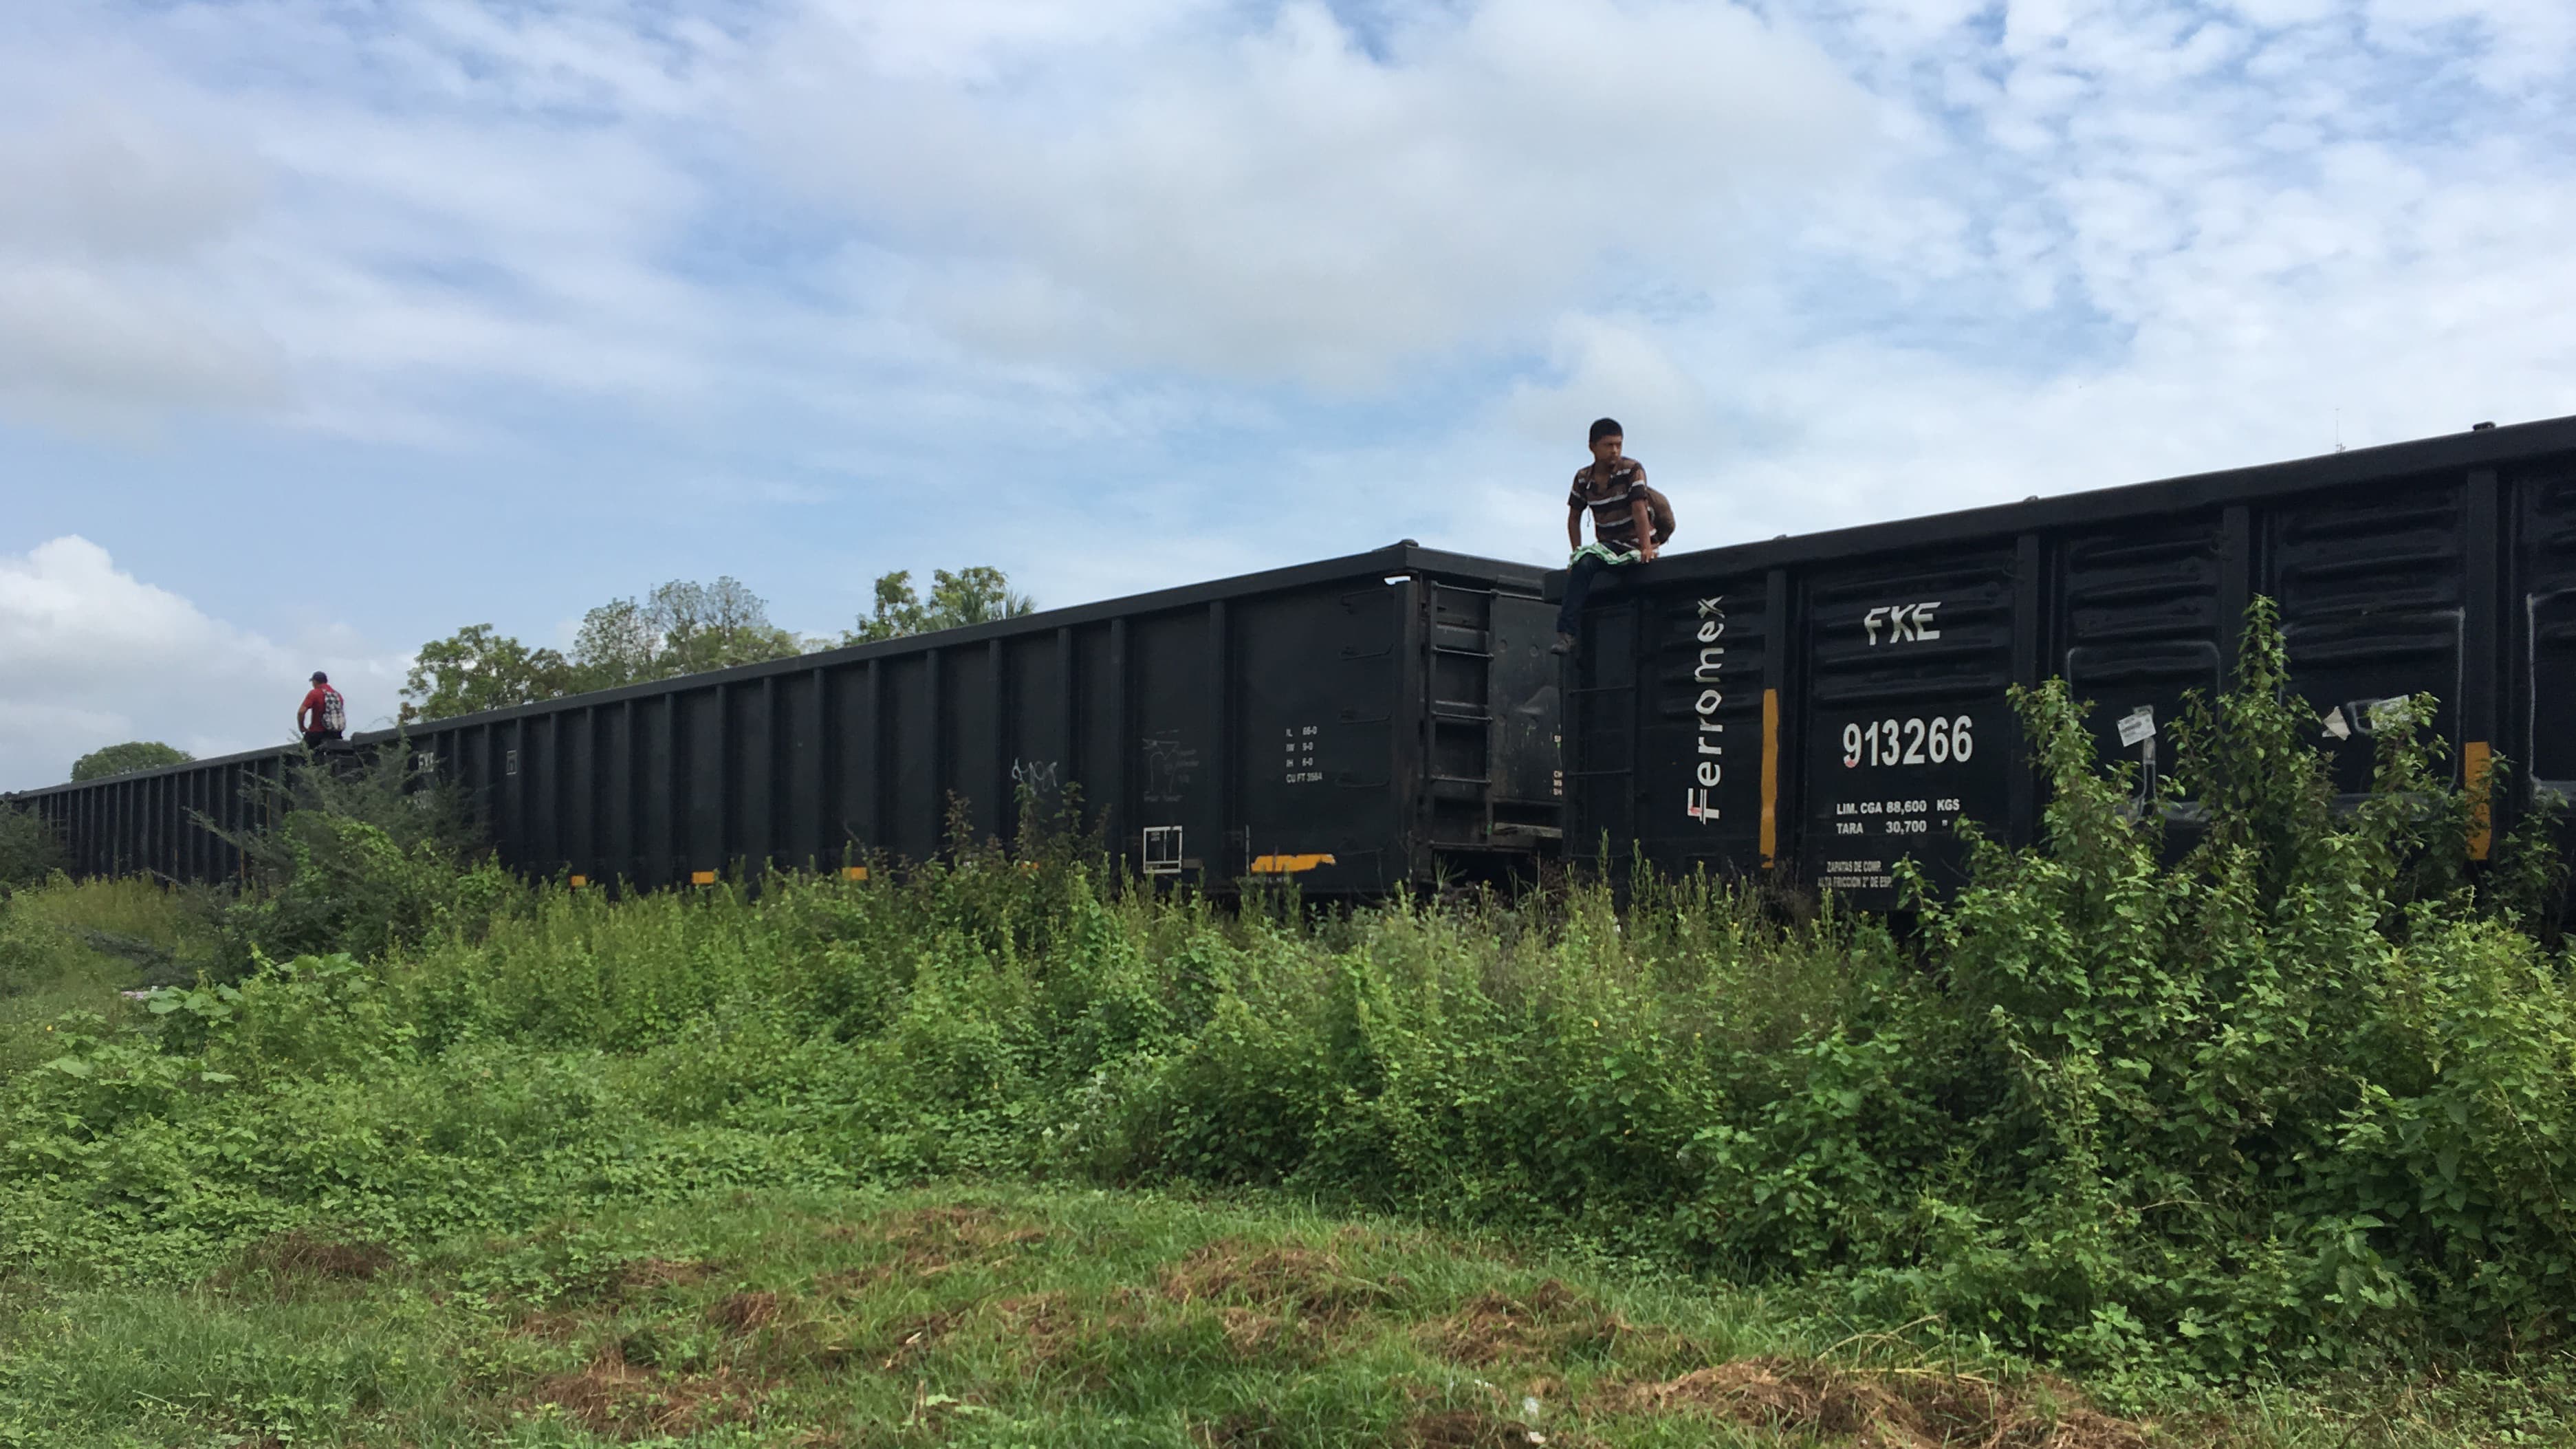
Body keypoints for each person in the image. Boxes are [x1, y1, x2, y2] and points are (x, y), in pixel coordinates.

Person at [1553, 417, 1657, 654]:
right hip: (1608, 547)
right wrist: (1575, 553)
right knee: (1584, 565)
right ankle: (1567, 634)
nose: (1615, 451)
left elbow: (1639, 509)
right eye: (1608, 445)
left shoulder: (1632, 469)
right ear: (1593, 447)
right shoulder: (1583, 478)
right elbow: (1574, 518)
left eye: (1619, 445)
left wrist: (1646, 547)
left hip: (1633, 544)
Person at [297, 671, 347, 750]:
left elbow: (301, 712)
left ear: (315, 681)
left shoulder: (314, 693)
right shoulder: (337, 695)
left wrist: (302, 727)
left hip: (317, 733)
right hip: (335, 734)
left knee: (302, 754)